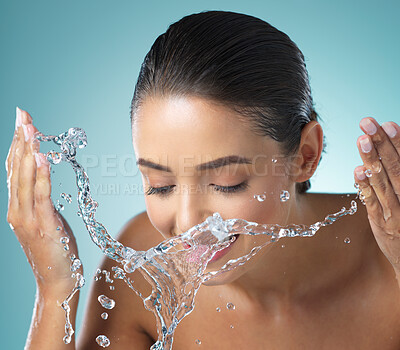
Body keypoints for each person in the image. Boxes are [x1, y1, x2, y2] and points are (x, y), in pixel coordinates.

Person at [6, 10, 400, 350]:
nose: (188, 223)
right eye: (160, 185)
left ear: (305, 155)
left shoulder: (389, 253)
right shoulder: (139, 278)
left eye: (227, 183)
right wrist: (55, 287)